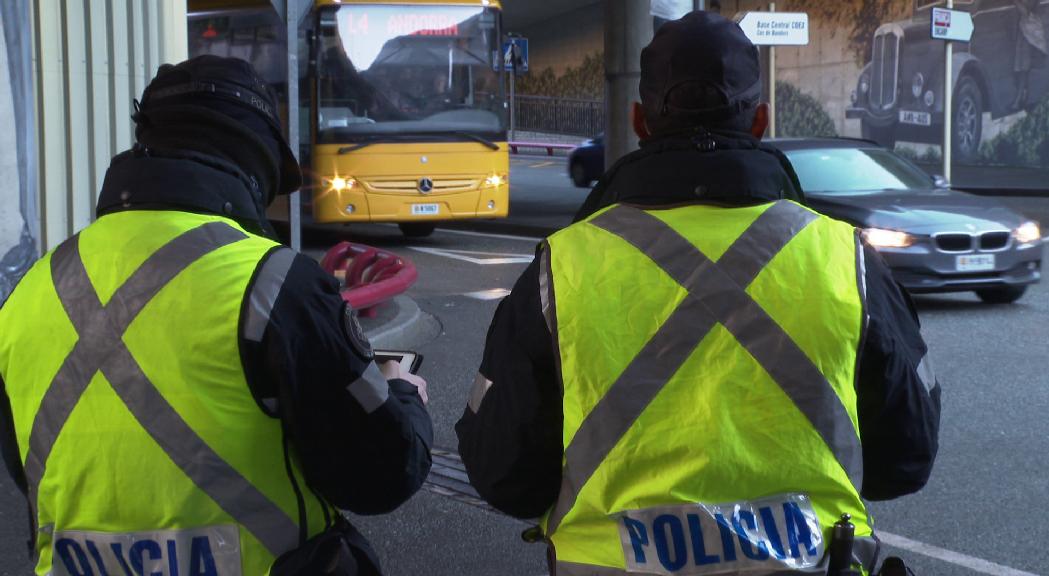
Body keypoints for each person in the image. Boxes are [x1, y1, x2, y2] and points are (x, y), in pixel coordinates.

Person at [456, 12, 940, 576]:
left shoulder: (563, 266)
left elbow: (504, 473)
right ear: (761, 121)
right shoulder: (846, 259)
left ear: (639, 121)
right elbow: (906, 460)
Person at [0, 56, 433, 575]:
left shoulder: (31, 289)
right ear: (254, 166)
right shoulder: (273, 284)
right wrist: (403, 393)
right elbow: (380, 474)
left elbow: (25, 463)